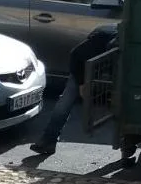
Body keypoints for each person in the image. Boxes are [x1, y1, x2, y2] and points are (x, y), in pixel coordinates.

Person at [31, 22, 121, 157]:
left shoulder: (126, 45)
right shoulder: (97, 43)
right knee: (64, 103)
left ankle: (125, 144)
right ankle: (48, 140)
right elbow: (76, 55)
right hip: (83, 66)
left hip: (107, 62)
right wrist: (81, 84)